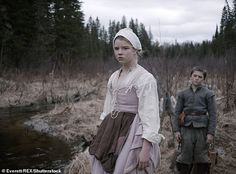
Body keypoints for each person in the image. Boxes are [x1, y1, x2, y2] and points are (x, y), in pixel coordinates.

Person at [89, 28, 162, 174]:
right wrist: (102, 129)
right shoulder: (114, 76)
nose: (119, 52)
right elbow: (109, 105)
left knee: (125, 167)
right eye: (116, 48)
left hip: (133, 130)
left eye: (125, 48)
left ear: (135, 50)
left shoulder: (144, 78)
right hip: (112, 127)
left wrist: (145, 148)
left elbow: (150, 114)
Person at [171, 66, 217, 174]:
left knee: (201, 156)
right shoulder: (183, 94)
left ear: (203, 79)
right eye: (194, 76)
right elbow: (176, 113)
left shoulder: (208, 94)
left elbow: (213, 115)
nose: (196, 78)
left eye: (200, 77)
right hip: (186, 128)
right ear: (191, 77)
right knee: (184, 155)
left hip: (202, 129)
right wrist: (177, 130)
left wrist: (211, 133)